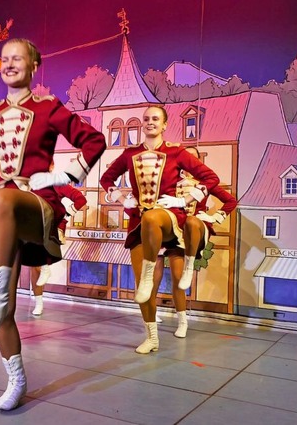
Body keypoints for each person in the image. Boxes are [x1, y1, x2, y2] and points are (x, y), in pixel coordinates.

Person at [0, 38, 106, 410]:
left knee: (3, 199)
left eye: (17, 58)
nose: (8, 64)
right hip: (0, 211)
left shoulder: (48, 107)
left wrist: (59, 177)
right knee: (3, 313)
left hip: (36, 205)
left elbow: (94, 141)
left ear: (34, 65)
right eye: (4, 59)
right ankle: (16, 379)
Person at [100, 106, 221, 354]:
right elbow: (106, 179)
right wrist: (122, 199)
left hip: (169, 219)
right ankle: (152, 337)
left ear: (165, 124)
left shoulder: (177, 153)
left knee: (154, 216)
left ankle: (180, 307)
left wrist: (182, 201)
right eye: (146, 119)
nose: (149, 122)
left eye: (155, 119)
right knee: (143, 289)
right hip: (139, 222)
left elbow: (210, 178)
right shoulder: (129, 154)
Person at [151, 146, 237, 338]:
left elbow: (230, 201)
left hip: (194, 231)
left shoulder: (204, 184)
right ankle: (152, 310)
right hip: (174, 231)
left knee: (190, 223)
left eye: (193, 158)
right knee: (158, 268)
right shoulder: (169, 182)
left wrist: (214, 217)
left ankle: (182, 321)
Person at [29, 182, 87, 316]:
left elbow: (80, 199)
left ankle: (45, 266)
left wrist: (65, 216)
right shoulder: (29, 183)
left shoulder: (56, 183)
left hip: (51, 228)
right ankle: (39, 302)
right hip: (33, 226)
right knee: (33, 266)